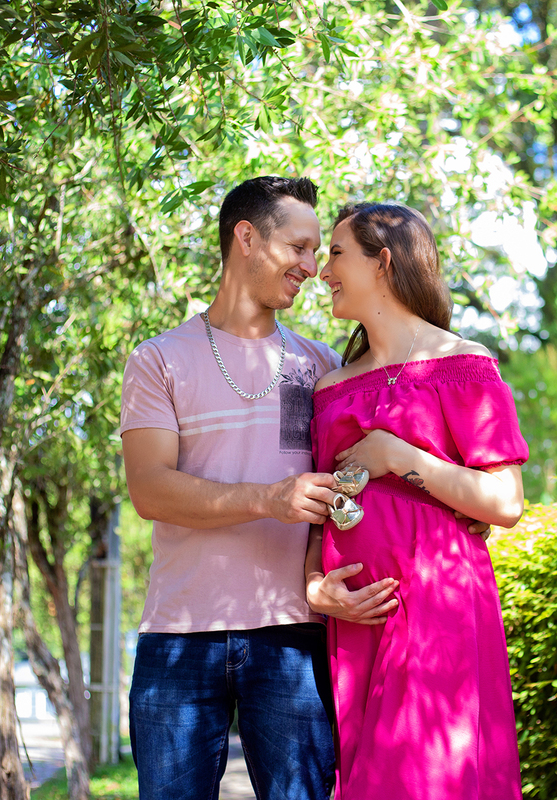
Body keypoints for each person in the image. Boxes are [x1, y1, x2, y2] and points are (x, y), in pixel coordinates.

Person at [119, 176, 398, 800]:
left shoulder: (322, 366)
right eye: (299, 247)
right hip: (179, 637)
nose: (312, 267)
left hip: (293, 637)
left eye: (318, 250)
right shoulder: (158, 360)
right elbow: (151, 492)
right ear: (246, 238)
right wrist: (267, 499)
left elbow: (359, 489)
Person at [305, 202, 529, 799]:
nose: (323, 271)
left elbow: (505, 502)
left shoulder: (463, 365)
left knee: (423, 779)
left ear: (382, 263)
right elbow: (319, 506)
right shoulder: (329, 388)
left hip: (437, 609)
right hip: (355, 620)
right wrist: (315, 586)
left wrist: (400, 457)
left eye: (335, 253)